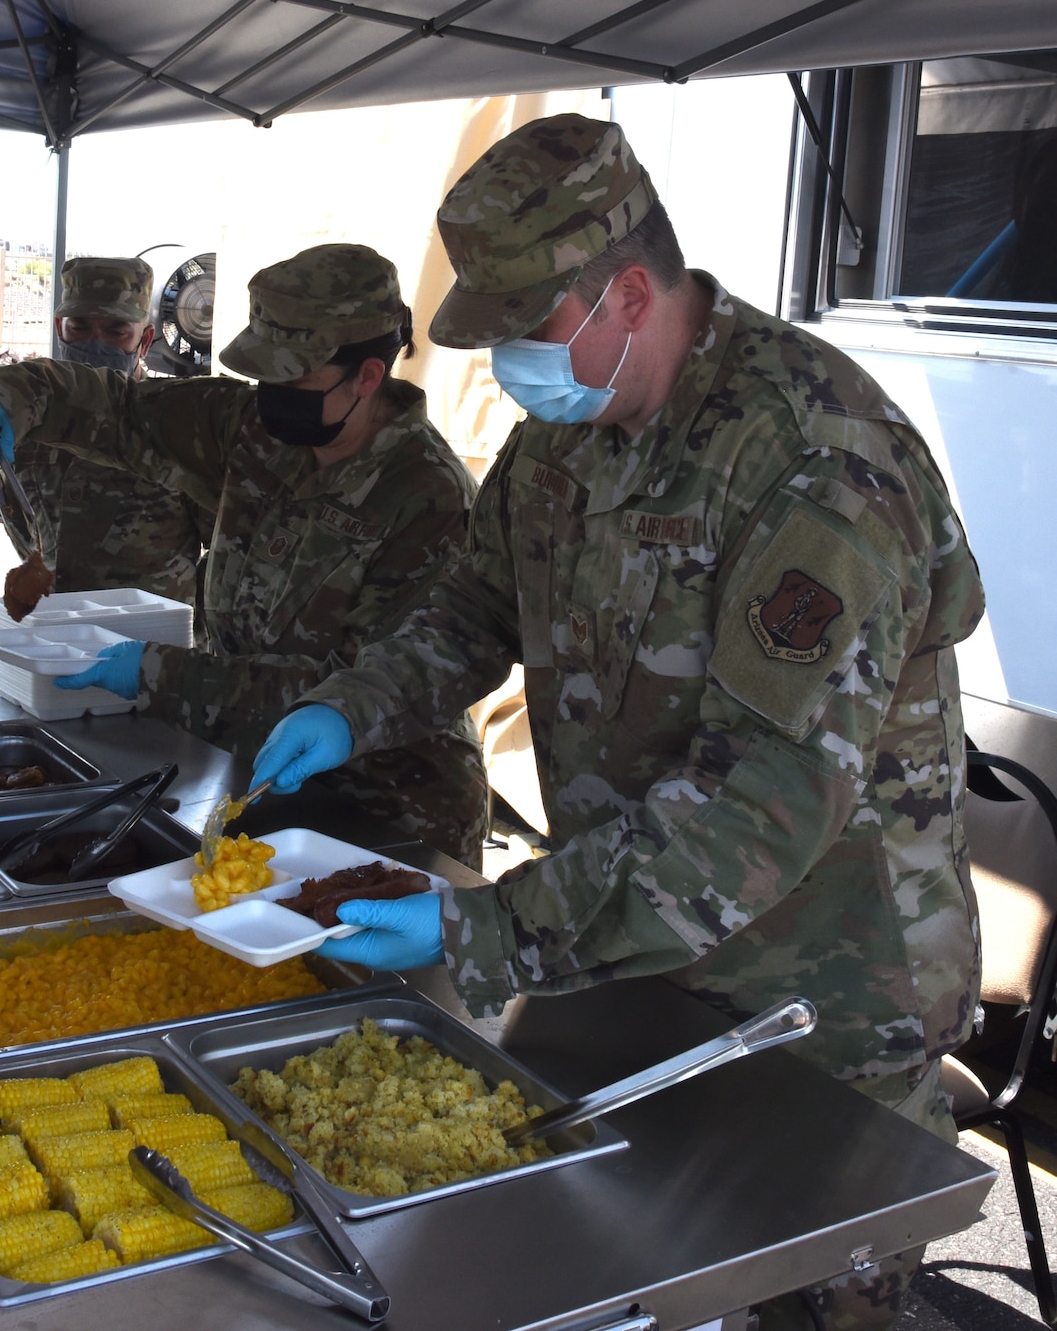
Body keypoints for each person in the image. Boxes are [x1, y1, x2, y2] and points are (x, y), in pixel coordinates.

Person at [253, 115, 983, 1331]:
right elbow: (470, 608)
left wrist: (480, 930)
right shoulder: (562, 443)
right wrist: (347, 707)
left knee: (800, 1306)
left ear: (627, 294)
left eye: (524, 331)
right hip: (635, 966)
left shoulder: (819, 460)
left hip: (818, 1003)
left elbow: (756, 812)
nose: (507, 369)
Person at [0, 244, 489, 863]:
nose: (269, 394)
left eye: (290, 379)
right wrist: (13, 394)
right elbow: (120, 410)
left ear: (367, 376)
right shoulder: (256, 430)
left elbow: (346, 691)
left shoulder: (428, 501)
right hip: (252, 778)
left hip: (390, 812)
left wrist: (154, 672)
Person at [0, 256, 206, 603]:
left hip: (152, 643)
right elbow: (18, 525)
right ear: (59, 328)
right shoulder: (30, 424)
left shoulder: (178, 426)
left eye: (116, 331)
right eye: (79, 328)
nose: (96, 344)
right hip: (55, 634)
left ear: (145, 339)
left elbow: (227, 549)